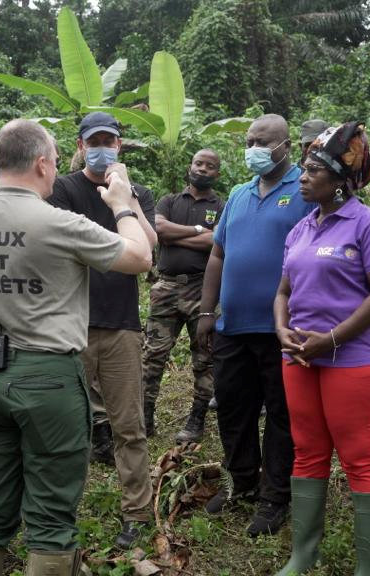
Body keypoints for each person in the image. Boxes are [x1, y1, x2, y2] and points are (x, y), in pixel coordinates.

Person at [0, 119, 152, 575]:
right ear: (40, 163)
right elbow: (140, 257)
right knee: (52, 514)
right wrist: (122, 204)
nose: (57, 171)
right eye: (55, 162)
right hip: (47, 379)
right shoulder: (58, 223)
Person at [272, 123, 370, 576]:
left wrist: (333, 338)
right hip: (300, 358)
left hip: (351, 360)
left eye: (311, 170)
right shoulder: (302, 227)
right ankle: (304, 553)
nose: (302, 177)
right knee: (307, 450)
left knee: (358, 456)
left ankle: (368, 567)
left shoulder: (367, 224)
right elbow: (283, 290)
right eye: (303, 169)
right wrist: (282, 330)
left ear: (338, 178)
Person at [196, 113, 314, 537]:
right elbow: (218, 255)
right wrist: (207, 312)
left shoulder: (305, 189)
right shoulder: (239, 193)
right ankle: (243, 481)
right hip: (232, 325)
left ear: (284, 144)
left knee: (281, 414)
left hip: (283, 328)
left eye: (262, 141)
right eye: (248, 141)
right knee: (232, 407)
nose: (253, 149)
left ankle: (274, 496)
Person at [48, 111, 158, 548]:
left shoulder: (137, 193)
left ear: (120, 146)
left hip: (121, 325)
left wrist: (124, 198)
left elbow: (148, 246)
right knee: (64, 427)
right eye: (94, 140)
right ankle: (58, 514)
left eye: (110, 141)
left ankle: (137, 513)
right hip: (68, 324)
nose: (103, 148)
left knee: (128, 426)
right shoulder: (60, 189)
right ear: (79, 146)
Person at [140, 148, 224, 443]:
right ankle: (145, 417)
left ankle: (196, 420)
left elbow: (218, 240)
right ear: (191, 166)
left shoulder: (221, 205)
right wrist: (199, 231)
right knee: (153, 355)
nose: (202, 169)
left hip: (202, 289)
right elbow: (159, 229)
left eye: (209, 166)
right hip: (166, 288)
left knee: (205, 355)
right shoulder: (169, 200)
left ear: (217, 173)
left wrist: (183, 235)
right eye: (199, 163)